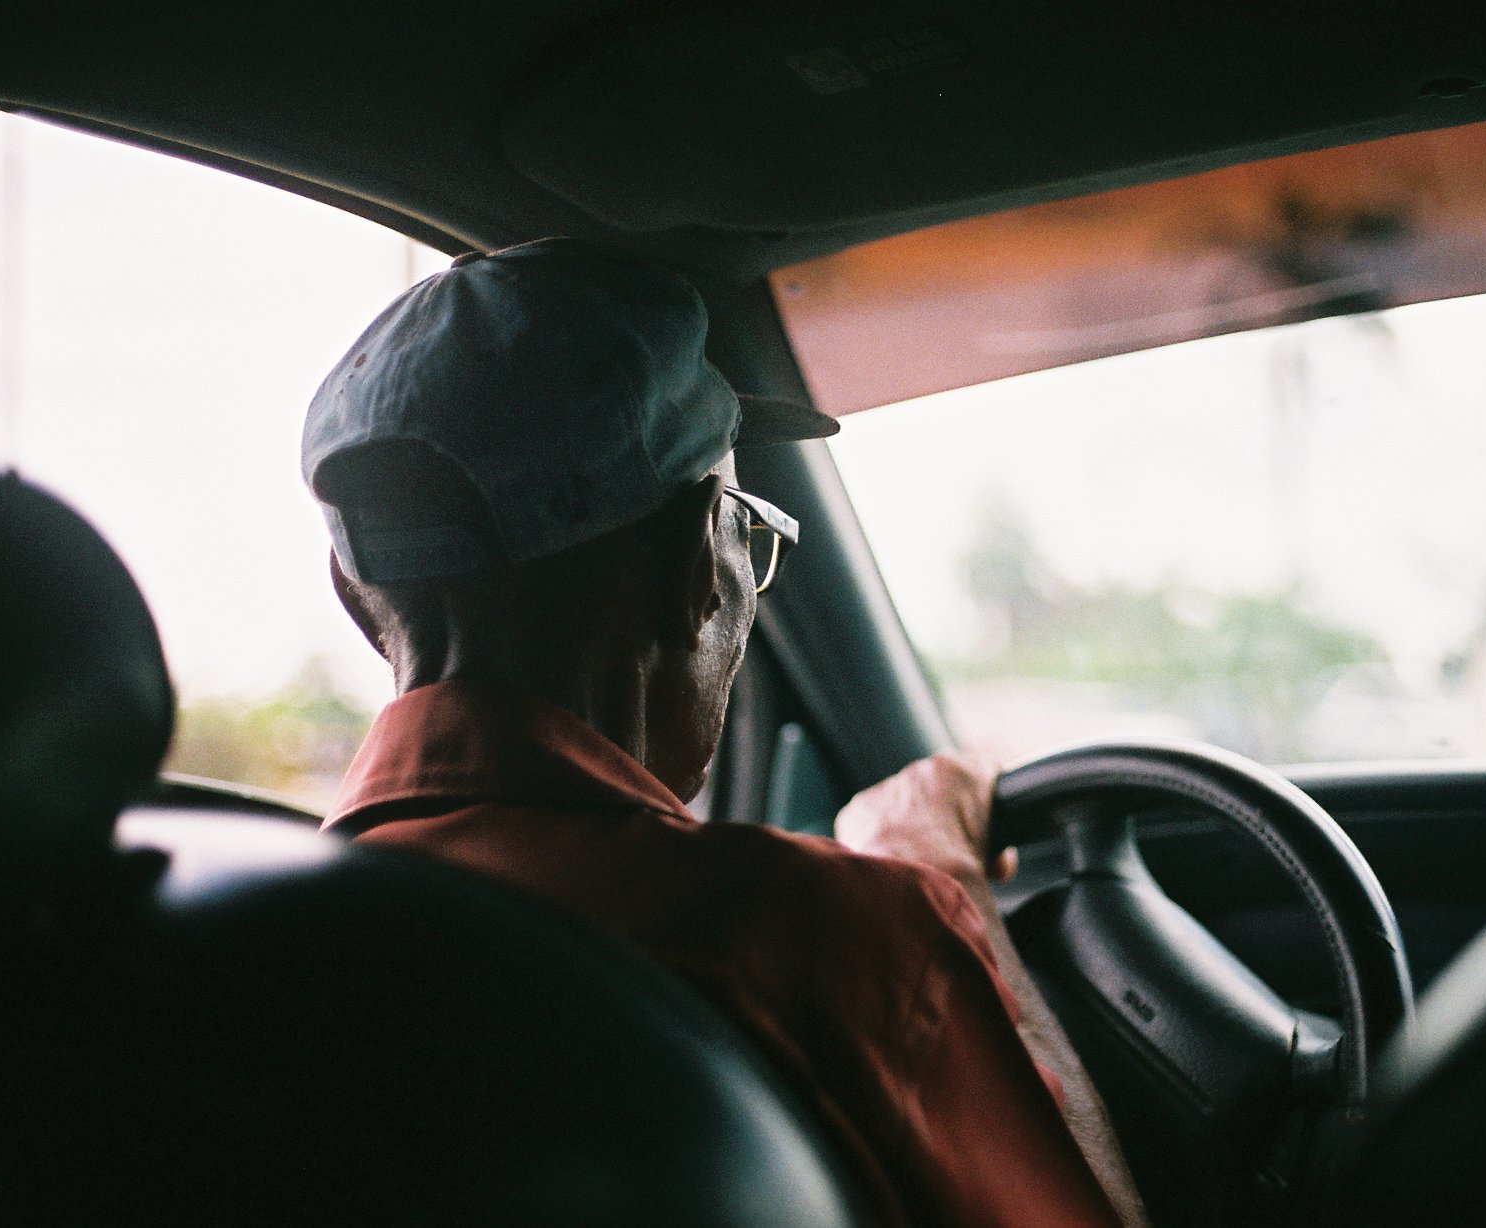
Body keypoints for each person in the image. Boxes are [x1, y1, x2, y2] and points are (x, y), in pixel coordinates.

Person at [302, 239, 1147, 1228]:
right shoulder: (824, 939)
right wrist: (947, 892)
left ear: (356, 599)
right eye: (749, 532)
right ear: (703, 562)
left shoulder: (237, 942)